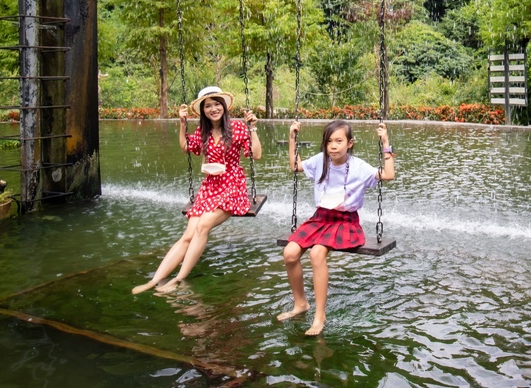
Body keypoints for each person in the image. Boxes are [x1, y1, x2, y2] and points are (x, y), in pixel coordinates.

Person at [132, 86, 262, 295]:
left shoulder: (237, 127)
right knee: (188, 235)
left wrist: (253, 128)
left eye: (216, 104)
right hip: (210, 187)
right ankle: (155, 280)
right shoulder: (204, 131)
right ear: (203, 111)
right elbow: (186, 147)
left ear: (224, 106)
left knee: (202, 226)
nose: (213, 109)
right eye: (208, 106)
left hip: (232, 186)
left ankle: (178, 279)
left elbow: (255, 155)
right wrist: (182, 123)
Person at [278, 119, 395, 335]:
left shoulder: (359, 166)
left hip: (345, 220)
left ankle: (319, 316)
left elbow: (388, 175)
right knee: (290, 253)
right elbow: (295, 166)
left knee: (317, 254)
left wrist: (386, 143)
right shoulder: (321, 160)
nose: (333, 146)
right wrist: (292, 138)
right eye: (329, 141)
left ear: (350, 143)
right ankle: (300, 304)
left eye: (339, 141)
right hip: (320, 217)